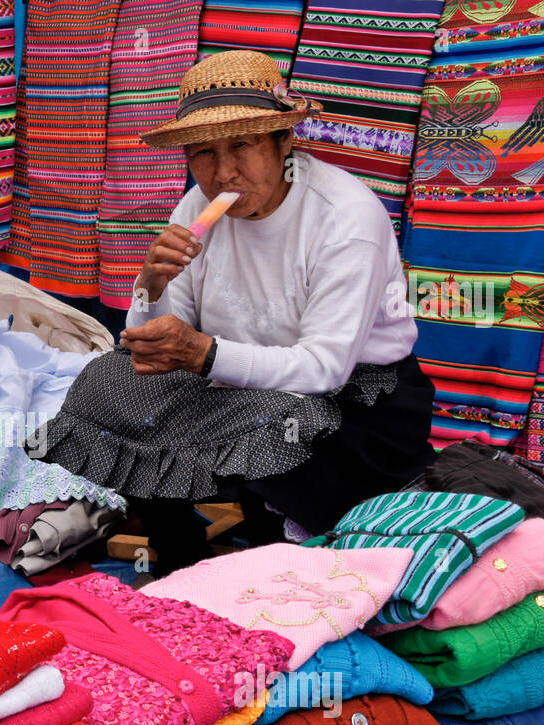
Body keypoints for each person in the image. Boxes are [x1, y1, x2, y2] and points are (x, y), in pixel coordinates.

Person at [33, 49, 436, 574]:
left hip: (355, 405)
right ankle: (180, 555)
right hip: (242, 384)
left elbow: (323, 368)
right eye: (204, 152)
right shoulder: (197, 207)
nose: (224, 173)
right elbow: (155, 342)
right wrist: (152, 287)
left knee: (280, 425)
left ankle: (277, 543)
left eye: (242, 145)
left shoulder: (345, 220)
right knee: (108, 384)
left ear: (284, 140)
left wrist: (202, 353)